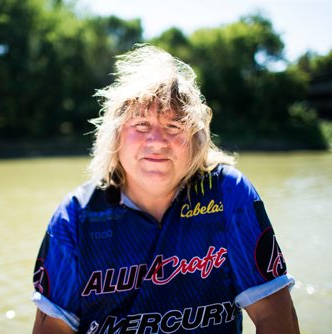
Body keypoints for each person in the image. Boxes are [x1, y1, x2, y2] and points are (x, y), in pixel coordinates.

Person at [31, 44, 300, 334]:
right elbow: (53, 329)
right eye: (142, 124)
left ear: (195, 138)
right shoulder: (76, 216)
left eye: (174, 126)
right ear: (115, 135)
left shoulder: (228, 193)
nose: (157, 141)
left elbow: (274, 317)